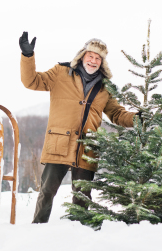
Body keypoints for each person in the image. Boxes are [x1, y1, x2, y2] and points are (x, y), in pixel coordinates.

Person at [19, 31, 136, 223]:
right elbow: (31, 81)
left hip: (87, 148)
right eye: (90, 55)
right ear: (82, 56)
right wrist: (27, 56)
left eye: (98, 58)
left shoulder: (105, 87)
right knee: (47, 191)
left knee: (82, 197)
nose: (93, 60)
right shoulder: (60, 72)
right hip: (59, 143)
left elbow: (117, 114)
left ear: (102, 62)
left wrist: (138, 119)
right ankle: (37, 228)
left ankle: (78, 233)